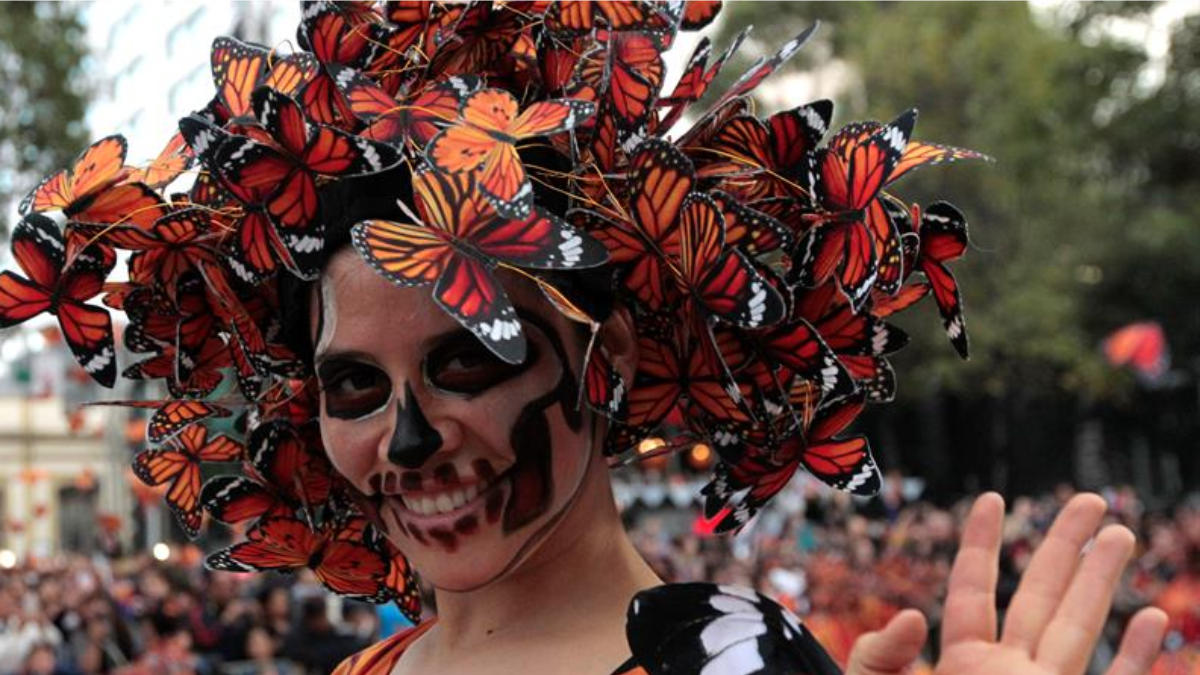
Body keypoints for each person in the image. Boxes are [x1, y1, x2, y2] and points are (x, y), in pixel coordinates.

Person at [0, 1, 1169, 673]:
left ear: (597, 366)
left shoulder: (725, 664)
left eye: (470, 352)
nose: (406, 443)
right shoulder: (370, 669)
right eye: (354, 385)